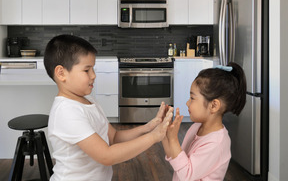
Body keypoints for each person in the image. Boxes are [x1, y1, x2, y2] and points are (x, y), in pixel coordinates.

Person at [43, 34, 173, 181]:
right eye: (87, 70)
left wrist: (149, 127)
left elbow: (114, 137)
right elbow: (106, 156)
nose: (93, 75)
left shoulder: (89, 101)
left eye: (93, 68)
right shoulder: (66, 112)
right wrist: (154, 137)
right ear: (61, 73)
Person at [162, 62, 247, 181]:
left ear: (214, 105)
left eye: (192, 98)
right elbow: (177, 160)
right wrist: (165, 134)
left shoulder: (216, 143)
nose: (187, 103)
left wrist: (173, 139)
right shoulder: (196, 127)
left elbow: (187, 175)